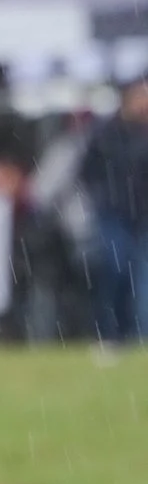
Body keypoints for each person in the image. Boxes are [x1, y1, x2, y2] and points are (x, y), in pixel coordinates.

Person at [78, 74, 148, 348]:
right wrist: (104, 197)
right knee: (115, 270)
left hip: (142, 215)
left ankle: (138, 335)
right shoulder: (106, 133)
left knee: (141, 278)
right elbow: (88, 171)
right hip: (113, 213)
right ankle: (111, 332)